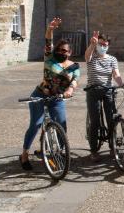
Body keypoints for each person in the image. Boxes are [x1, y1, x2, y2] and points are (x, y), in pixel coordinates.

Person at [20, 17, 80, 170]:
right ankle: (24, 154)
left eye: (65, 51)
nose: (61, 52)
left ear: (70, 52)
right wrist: (50, 30)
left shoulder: (74, 66)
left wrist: (70, 89)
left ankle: (58, 151)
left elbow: (75, 80)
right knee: (36, 124)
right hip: (40, 94)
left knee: (61, 124)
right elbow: (48, 42)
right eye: (59, 50)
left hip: (57, 98)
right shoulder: (49, 58)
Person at [84, 31, 123, 161]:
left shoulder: (112, 59)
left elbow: (116, 74)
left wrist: (121, 83)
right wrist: (91, 45)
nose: (103, 46)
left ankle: (113, 147)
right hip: (93, 90)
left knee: (111, 119)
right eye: (101, 44)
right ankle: (94, 151)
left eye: (105, 45)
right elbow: (86, 56)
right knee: (95, 121)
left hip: (108, 90)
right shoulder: (92, 56)